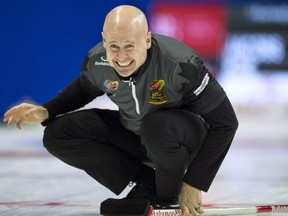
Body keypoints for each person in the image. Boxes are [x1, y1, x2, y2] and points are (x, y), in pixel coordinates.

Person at [3, 5, 238, 216]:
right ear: (104, 41)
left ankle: (168, 195)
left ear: (146, 40)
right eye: (113, 46)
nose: (121, 57)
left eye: (129, 46)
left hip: (182, 138)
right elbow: (84, 89)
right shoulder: (97, 62)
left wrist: (194, 182)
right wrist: (46, 111)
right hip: (138, 134)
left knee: (156, 124)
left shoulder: (181, 66)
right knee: (58, 133)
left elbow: (225, 123)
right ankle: (148, 185)